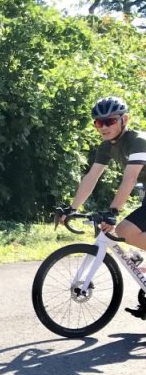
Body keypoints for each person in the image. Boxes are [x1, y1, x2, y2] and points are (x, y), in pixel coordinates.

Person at [58, 96, 146, 311]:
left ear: (124, 119)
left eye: (110, 121)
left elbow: (130, 179)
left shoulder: (138, 141)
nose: (104, 127)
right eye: (99, 122)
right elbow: (91, 177)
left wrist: (113, 212)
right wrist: (72, 208)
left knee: (124, 230)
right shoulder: (107, 147)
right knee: (125, 232)